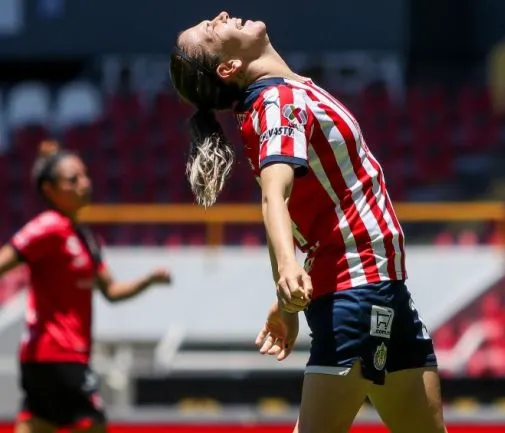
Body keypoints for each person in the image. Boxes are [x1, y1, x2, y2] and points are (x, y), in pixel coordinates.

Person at [169, 11, 447, 433]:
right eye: (211, 28)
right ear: (228, 67)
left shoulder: (285, 95)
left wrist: (287, 306)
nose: (221, 15)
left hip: (385, 289)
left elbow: (287, 205)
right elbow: (274, 196)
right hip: (357, 291)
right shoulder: (276, 101)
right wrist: (286, 270)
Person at [0, 140, 172, 433]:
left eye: (85, 176)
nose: (85, 183)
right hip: (55, 354)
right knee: (93, 424)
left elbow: (111, 292)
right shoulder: (48, 226)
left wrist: (148, 281)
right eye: (73, 179)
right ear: (49, 190)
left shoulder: (85, 238)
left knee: (39, 424)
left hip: (65, 355)